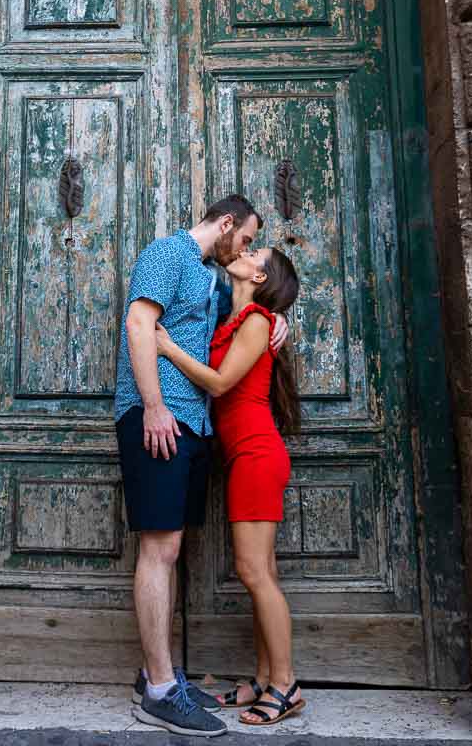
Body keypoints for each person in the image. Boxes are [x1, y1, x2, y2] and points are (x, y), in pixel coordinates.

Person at [114, 195, 288, 736]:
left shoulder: (213, 282)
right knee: (159, 547)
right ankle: (162, 691)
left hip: (196, 427)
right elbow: (140, 326)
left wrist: (281, 323)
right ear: (228, 224)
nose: (248, 248)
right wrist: (155, 406)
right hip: (159, 418)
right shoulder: (168, 253)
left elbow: (242, 328)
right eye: (248, 238)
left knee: (173, 548)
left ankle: (160, 675)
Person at [155, 245, 305, 728]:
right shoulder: (236, 319)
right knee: (262, 572)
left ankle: (286, 686)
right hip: (244, 456)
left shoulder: (257, 320)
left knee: (253, 573)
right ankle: (264, 678)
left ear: (259, 274)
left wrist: (167, 348)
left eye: (253, 250)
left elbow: (219, 384)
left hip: (258, 455)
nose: (242, 250)